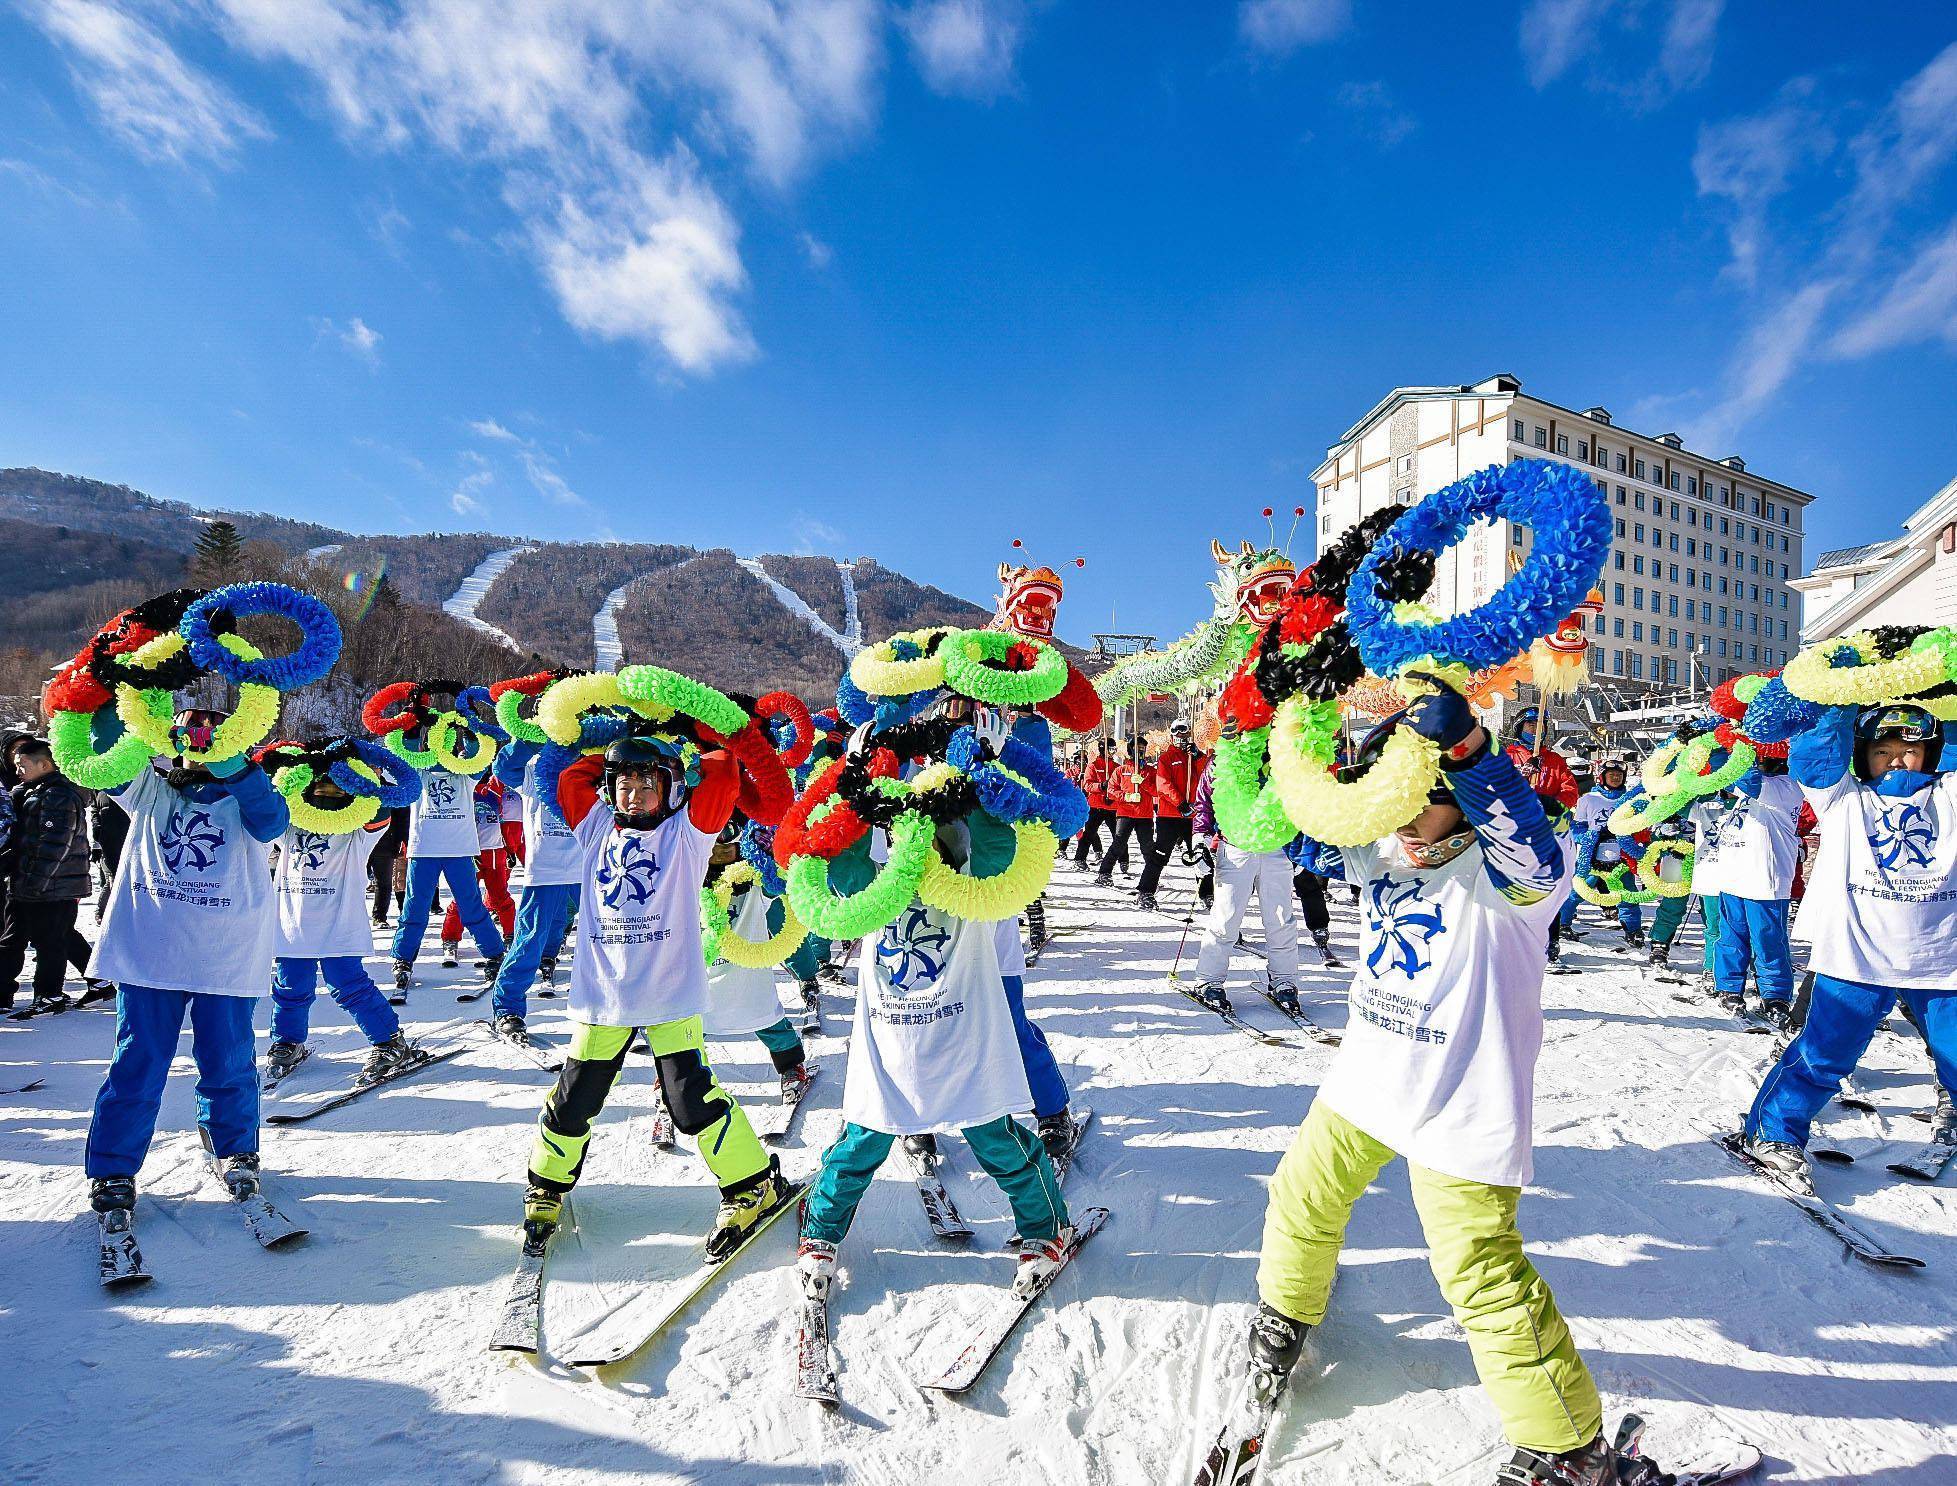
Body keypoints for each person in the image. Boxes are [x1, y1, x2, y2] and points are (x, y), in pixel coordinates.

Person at [1214, 682, 1682, 1486]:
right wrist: (1249, 748)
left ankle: (1565, 1449)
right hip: (1367, 1076)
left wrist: (1471, 754)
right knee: (1300, 1197)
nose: (1400, 825)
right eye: (1387, 807)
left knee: (1477, 1270)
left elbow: (1524, 843)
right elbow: (1292, 831)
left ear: (1457, 802)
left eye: (1417, 805)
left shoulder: (1518, 875)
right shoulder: (1383, 849)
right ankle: (1283, 1317)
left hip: (1462, 1097)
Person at [796, 709, 1071, 1302]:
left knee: (997, 1139)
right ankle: (820, 1233)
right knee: (860, 1142)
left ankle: (1047, 1228)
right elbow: (827, 851)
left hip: (962, 1035)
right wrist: (854, 771)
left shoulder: (975, 880)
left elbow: (1004, 838)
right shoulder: (869, 882)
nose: (918, 847)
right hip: (889, 1040)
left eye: (935, 835)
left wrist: (988, 764)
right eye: (903, 835)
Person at [521, 732, 787, 1261]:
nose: (633, 796)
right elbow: (571, 777)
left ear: (670, 787)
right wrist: (615, 738)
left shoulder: (688, 834)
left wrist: (690, 732)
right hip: (604, 995)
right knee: (573, 1101)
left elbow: (724, 774)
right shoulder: (595, 827)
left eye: (646, 784)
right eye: (622, 785)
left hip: (669, 997)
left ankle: (752, 1184)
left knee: (691, 1102)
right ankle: (546, 1185)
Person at [84, 708, 290, 1232]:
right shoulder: (151, 790)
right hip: (151, 951)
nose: (195, 751)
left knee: (228, 1061)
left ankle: (236, 1151)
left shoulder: (249, 796)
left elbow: (272, 821)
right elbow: (105, 761)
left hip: (224, 953)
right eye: (188, 739)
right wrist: (114, 695)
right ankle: (112, 1169)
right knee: (138, 1062)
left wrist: (235, 765)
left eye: (208, 738)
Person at [1744, 702, 1957, 1182]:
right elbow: (1817, 752)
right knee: (1825, 1054)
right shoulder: (1842, 799)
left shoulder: (1949, 796)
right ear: (1864, 756)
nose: (1897, 761)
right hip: (1856, 958)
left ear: (1931, 754)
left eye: (1911, 751)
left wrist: (1942, 686)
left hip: (1941, 961)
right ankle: (1773, 1131)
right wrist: (1839, 692)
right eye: (1884, 751)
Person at [264, 768, 421, 1087]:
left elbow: (380, 808)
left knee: (349, 985)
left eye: (336, 790)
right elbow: (268, 804)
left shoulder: (357, 830)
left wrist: (363, 773)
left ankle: (389, 1040)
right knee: (290, 987)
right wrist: (290, 772)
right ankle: (288, 1040)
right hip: (294, 926)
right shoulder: (290, 824)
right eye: (321, 788)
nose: (327, 795)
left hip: (339, 925)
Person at [388, 715, 506, 993]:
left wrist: (469, 729)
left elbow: (479, 758)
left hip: (459, 850)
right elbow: (397, 765)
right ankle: (403, 959)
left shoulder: (465, 773)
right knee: (415, 908)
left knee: (471, 905)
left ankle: (494, 953)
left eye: (447, 743)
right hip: (425, 850)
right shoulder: (418, 774)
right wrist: (413, 727)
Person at [1186, 739, 1303, 1017]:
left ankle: (1284, 980)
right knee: (1226, 917)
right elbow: (1205, 799)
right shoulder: (1225, 757)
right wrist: (1200, 840)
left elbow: (1302, 799)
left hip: (1277, 847)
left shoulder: (1283, 755)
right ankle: (1209, 980)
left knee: (1280, 919)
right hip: (1236, 846)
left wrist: (1303, 845)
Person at [485, 734, 583, 1044]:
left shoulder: (593, 767)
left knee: (610, 938)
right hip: (545, 869)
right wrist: (535, 731)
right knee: (529, 939)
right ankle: (508, 1009)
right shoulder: (535, 767)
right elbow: (504, 768)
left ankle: (627, 1009)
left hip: (591, 868)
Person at [1693, 756, 1802, 1027]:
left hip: (1765, 881)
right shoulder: (1749, 788)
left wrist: (1729, 745)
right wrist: (1709, 744)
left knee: (1768, 941)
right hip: (1733, 878)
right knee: (1731, 937)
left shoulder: (1786, 787)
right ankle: (1729, 987)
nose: (1758, 760)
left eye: (1763, 756)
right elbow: (1722, 775)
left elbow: (1747, 779)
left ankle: (1775, 995)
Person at [0, 738, 105, 1014]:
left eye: (23, 765)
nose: (18, 770)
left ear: (44, 764)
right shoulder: (28, 792)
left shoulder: (59, 795)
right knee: (39, 937)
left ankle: (50, 995)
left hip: (55, 884)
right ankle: (100, 980)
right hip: (31, 881)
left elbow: (55, 844)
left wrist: (37, 881)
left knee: (50, 941)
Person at [440, 774, 517, 968]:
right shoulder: (460, 789)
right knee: (463, 898)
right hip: (468, 851)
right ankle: (450, 939)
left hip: (493, 851)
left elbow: (501, 770)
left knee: (500, 897)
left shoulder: (492, 788)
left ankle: (510, 935)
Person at [1569, 757, 1643, 950]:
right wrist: (1591, 836)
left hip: (1621, 857)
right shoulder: (1588, 799)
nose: (1616, 778)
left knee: (1628, 894)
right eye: (1612, 775)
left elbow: (1640, 827)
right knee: (1578, 891)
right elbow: (1576, 828)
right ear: (1602, 777)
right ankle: (1562, 924)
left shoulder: (1630, 801)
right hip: (1593, 857)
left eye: (1619, 775)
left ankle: (1633, 929)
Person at [1135, 720, 1209, 910]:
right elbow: (1163, 784)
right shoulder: (1166, 758)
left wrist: (1198, 757)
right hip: (1170, 815)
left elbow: (1207, 775)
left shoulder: (1196, 757)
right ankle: (1145, 891)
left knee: (1200, 855)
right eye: (1177, 736)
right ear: (1171, 737)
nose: (1180, 740)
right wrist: (1180, 803)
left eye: (1184, 736)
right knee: (1160, 853)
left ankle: (1207, 893)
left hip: (1193, 816)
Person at [1094, 736, 1154, 885]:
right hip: (1125, 814)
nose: (1140, 752)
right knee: (1119, 844)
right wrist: (1126, 796)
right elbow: (1111, 790)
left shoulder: (1151, 771)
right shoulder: (1121, 771)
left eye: (1142, 749)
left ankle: (1152, 876)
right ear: (1130, 751)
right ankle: (1104, 872)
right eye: (1137, 749)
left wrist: (1143, 782)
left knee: (1147, 847)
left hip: (1144, 814)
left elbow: (1158, 791)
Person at [1072, 739, 1114, 870]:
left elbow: (1120, 785)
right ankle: (1080, 858)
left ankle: (1124, 860)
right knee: (1089, 833)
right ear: (1103, 749)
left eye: (1114, 749)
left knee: (1119, 835)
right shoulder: (1093, 766)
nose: (1113, 752)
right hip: (1096, 806)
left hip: (1112, 806)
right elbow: (1088, 785)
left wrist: (1112, 795)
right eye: (1110, 749)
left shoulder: (1116, 766)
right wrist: (1101, 786)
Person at [367, 805, 408, 927]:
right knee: (354, 881)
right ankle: (352, 916)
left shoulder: (392, 789)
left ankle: (379, 917)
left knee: (384, 883)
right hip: (358, 841)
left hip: (386, 843)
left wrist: (402, 840)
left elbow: (402, 818)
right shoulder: (358, 787)